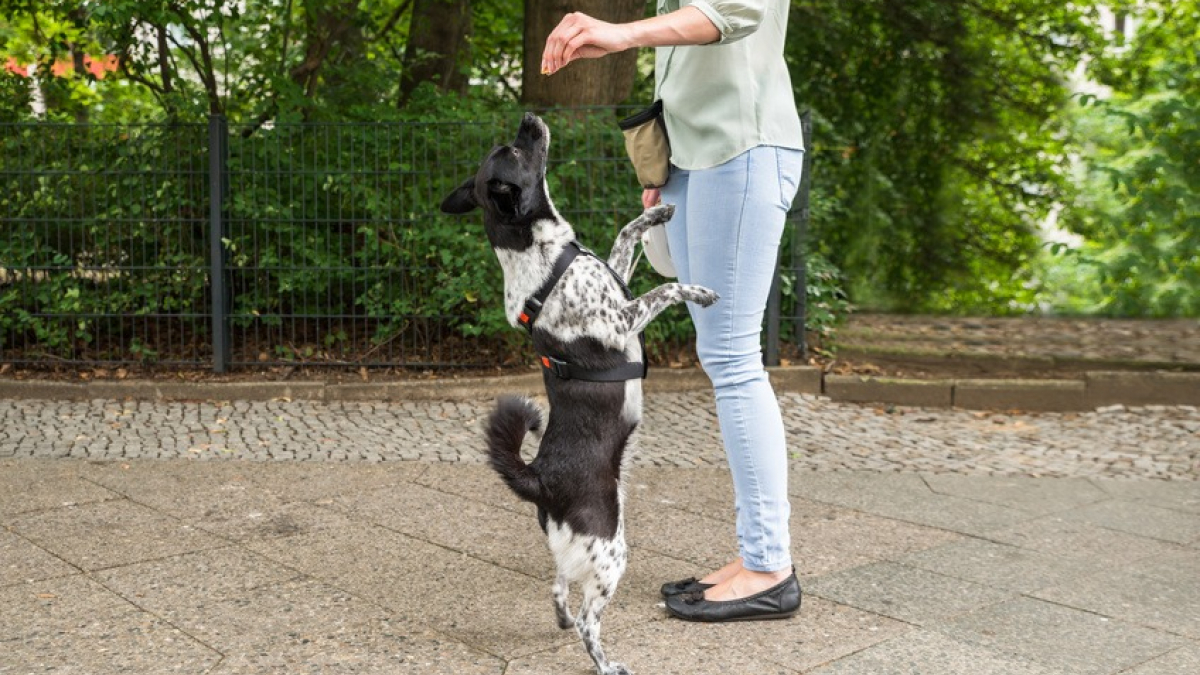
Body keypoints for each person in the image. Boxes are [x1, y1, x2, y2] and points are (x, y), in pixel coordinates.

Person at [541, 0, 804, 622]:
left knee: (734, 359)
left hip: (740, 153)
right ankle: (755, 559)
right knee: (724, 357)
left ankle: (769, 567)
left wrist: (619, 35)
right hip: (694, 162)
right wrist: (665, 159)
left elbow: (737, 14)